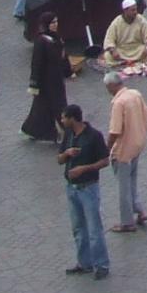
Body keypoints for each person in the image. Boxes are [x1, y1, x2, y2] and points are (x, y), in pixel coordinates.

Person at [57, 103, 112, 278]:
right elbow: (59, 159)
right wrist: (66, 154)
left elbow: (104, 160)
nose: (62, 120)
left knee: (94, 229)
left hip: (88, 188)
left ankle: (101, 265)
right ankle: (84, 263)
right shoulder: (68, 135)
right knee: (78, 228)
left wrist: (84, 169)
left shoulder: (94, 136)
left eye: (64, 117)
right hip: (71, 189)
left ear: (73, 119)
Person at [105, 71, 147, 233]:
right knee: (133, 180)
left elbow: (115, 131)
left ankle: (127, 222)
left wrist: (107, 148)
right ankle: (140, 210)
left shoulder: (119, 103)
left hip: (124, 150)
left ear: (112, 86)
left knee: (124, 186)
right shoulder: (135, 94)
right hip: (138, 143)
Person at [23, 11, 75, 143]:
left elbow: (63, 56)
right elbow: (36, 63)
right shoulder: (41, 41)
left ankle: (36, 130)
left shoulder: (57, 38)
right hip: (46, 81)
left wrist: (68, 71)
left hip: (57, 79)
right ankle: (66, 131)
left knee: (45, 107)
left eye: (56, 22)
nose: (55, 25)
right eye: (52, 22)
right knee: (56, 106)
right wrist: (34, 83)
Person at [101, 0, 147, 70]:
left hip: (137, 49)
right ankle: (130, 61)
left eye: (136, 9)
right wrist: (113, 51)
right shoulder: (116, 22)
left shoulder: (141, 20)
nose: (135, 12)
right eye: (133, 10)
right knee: (108, 56)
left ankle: (126, 62)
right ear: (125, 11)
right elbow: (109, 39)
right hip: (122, 50)